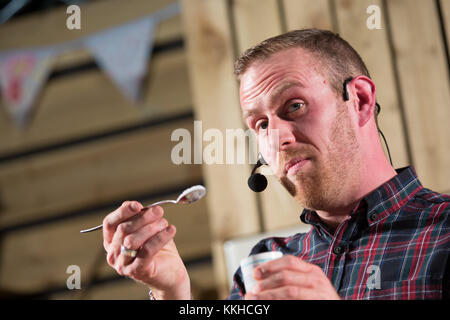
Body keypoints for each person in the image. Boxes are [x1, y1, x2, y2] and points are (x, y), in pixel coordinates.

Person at [102, 29, 449, 300]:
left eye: (295, 106)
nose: (276, 139)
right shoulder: (266, 263)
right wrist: (171, 289)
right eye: (261, 124)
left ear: (358, 99)